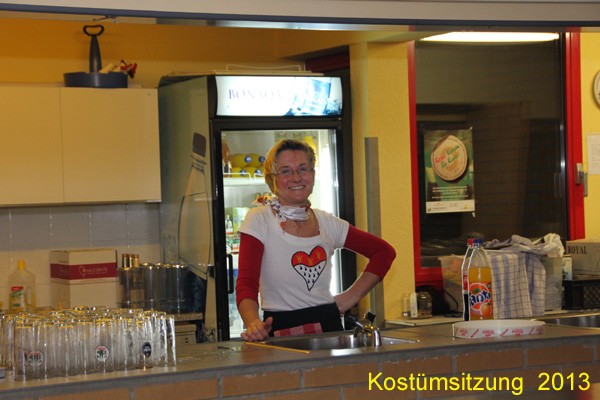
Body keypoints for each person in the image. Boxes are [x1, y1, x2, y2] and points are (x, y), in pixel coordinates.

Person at [236, 139, 396, 341]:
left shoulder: (328, 222)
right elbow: (246, 283)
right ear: (272, 179)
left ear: (312, 174)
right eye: (285, 171)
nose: (296, 177)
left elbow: (384, 253)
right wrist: (252, 322)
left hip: (329, 325)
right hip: (280, 328)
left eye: (303, 169)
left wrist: (349, 297)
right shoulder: (259, 219)